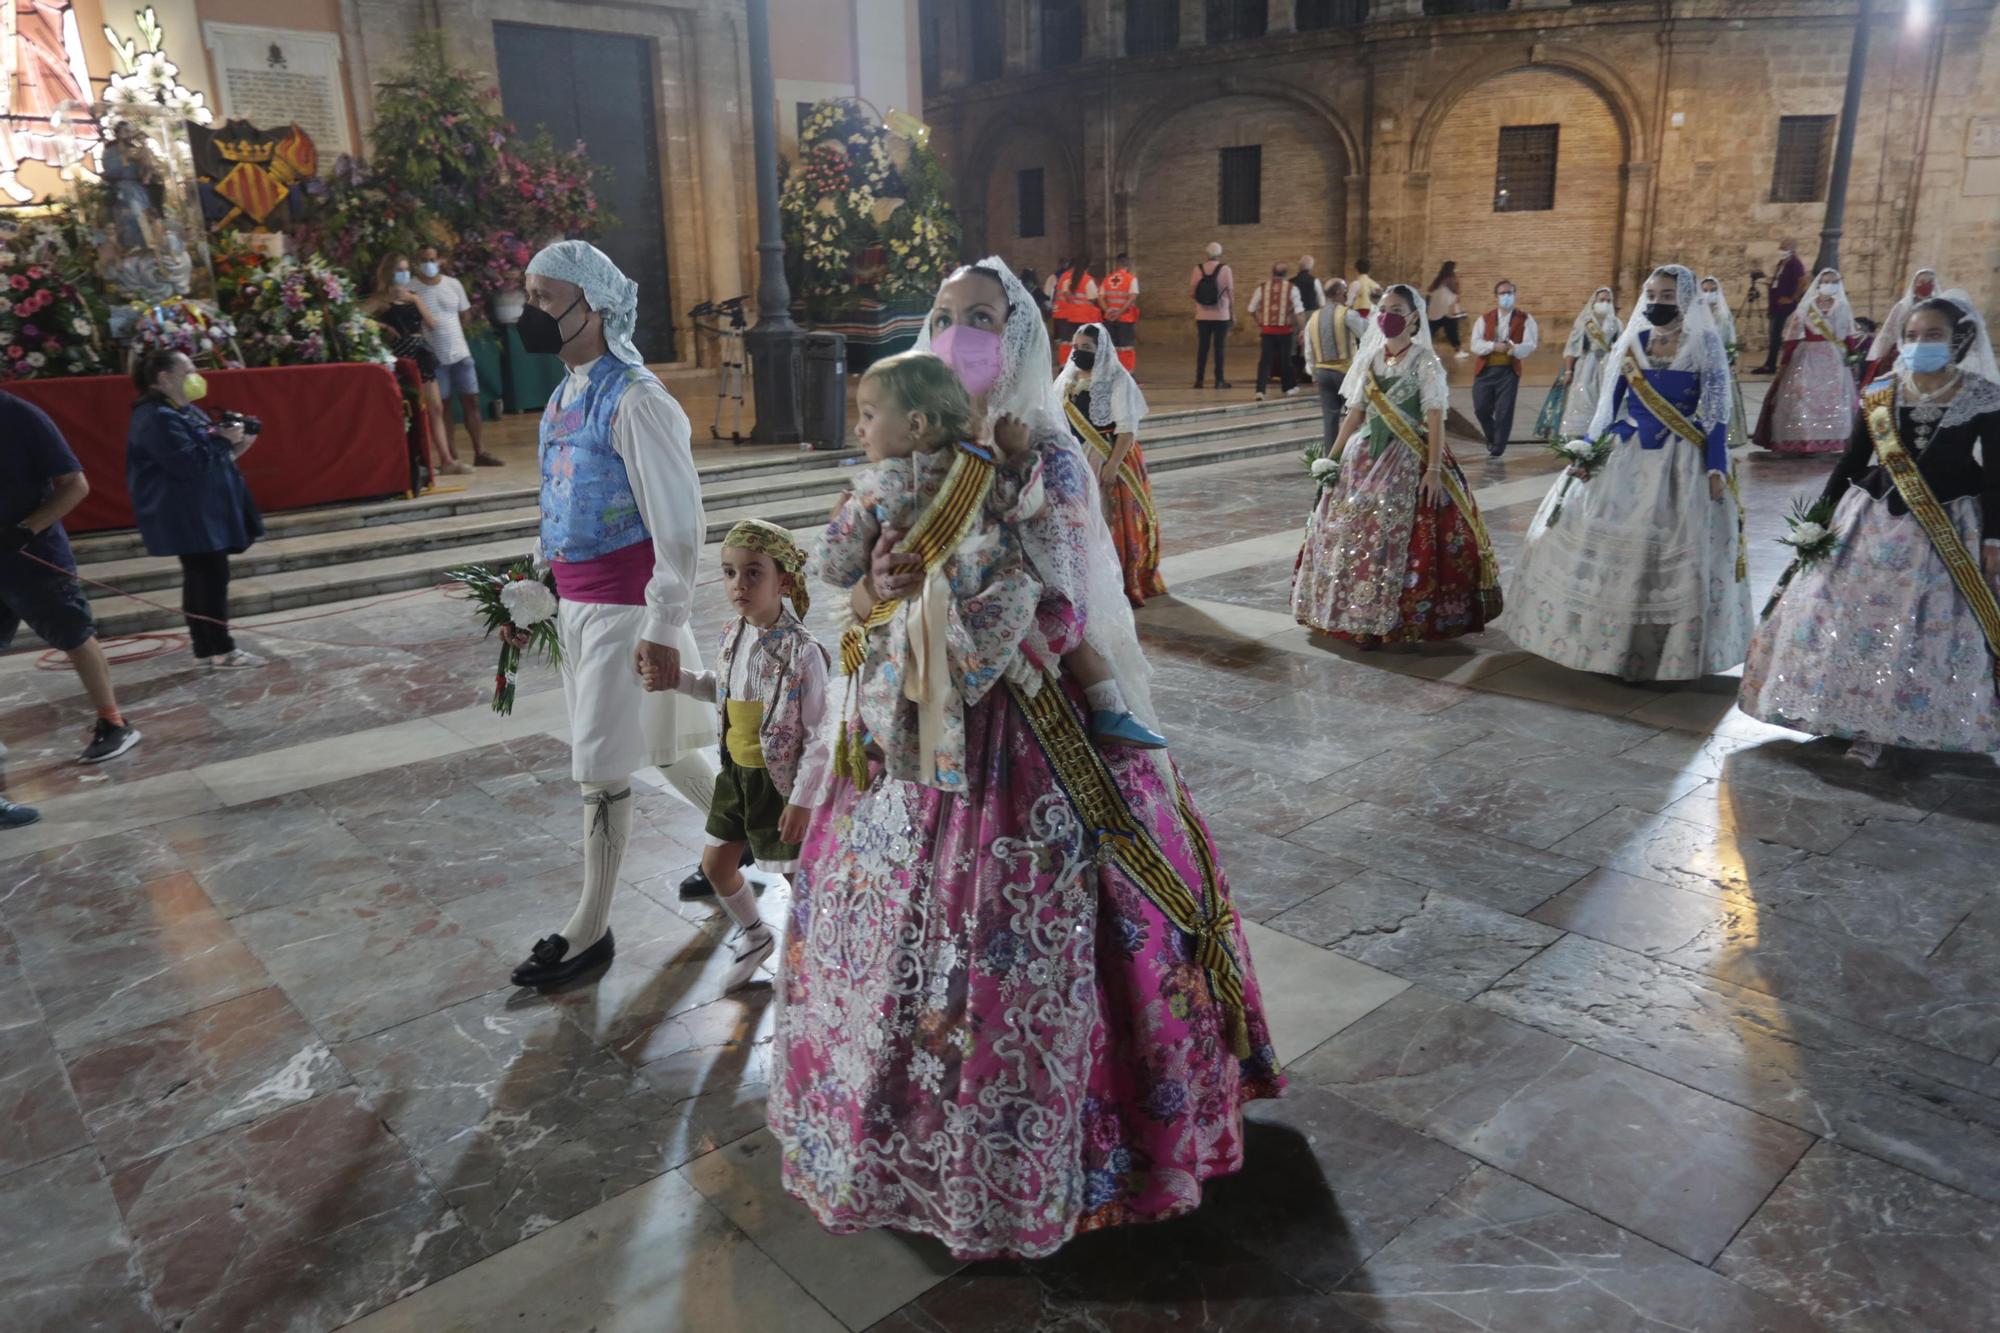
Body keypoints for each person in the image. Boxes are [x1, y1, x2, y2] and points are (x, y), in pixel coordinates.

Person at [769, 256, 1282, 1262]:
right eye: (945, 316)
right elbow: (853, 584)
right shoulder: (893, 449)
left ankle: (1083, 1150)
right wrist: (876, 584)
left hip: (1027, 723)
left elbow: (1069, 593)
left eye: (982, 321)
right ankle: (892, 1137)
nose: (960, 337)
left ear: (1019, 339)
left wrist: (988, 526)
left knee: (1040, 937)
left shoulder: (1044, 452)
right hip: (913, 724)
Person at [505, 240, 721, 990]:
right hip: (580, 602)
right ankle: (746, 837)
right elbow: (563, 492)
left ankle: (590, 927)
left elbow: (680, 527)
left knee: (600, 766)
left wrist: (663, 624)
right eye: (526, 296)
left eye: (543, 298)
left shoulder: (637, 399)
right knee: (662, 746)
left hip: (627, 610)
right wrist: (539, 576)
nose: (527, 313)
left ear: (591, 306)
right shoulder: (567, 394)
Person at [1741, 291, 2000, 768]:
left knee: (1925, 627)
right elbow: (1851, 461)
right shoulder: (1881, 390)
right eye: (1913, 336)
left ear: (1959, 340)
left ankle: (1907, 720)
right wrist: (1817, 521)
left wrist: (1993, 538)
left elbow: (1997, 474)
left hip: (1949, 528)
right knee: (1853, 619)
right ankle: (1849, 715)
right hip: (1870, 522)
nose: (1921, 344)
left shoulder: (1981, 396)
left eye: (1935, 336)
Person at [1507, 264, 1752, 681]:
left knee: (1667, 553)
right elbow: (1608, 409)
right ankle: (1601, 646)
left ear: (1686, 299)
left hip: (1681, 464)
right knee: (1604, 539)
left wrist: (1715, 466)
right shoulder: (1632, 342)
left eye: (1667, 295)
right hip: (1624, 454)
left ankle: (1660, 653)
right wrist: (1587, 452)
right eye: (1652, 295)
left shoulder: (1705, 345)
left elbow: (1715, 415)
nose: (1658, 303)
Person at [1291, 283, 1502, 645]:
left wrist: (1434, 470)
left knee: (1395, 535)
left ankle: (1396, 618)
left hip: (1407, 457)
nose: (1387, 317)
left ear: (1414, 318)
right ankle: (1349, 611)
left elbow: (1435, 415)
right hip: (1362, 458)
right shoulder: (1370, 360)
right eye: (1383, 309)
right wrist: (1333, 456)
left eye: (1396, 310)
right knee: (1350, 531)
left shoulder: (1425, 361)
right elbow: (1355, 412)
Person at [666, 520, 828, 990]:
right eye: (730, 573)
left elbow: (819, 735)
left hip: (778, 784)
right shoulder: (731, 635)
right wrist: (677, 679)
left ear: (785, 581)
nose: (740, 584)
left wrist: (802, 800)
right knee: (718, 866)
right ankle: (756, 935)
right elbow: (718, 688)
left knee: (800, 883)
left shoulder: (803, 652)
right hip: (736, 777)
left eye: (754, 572)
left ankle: (817, 954)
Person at [0, 394, 142, 766]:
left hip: (32, 553)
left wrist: (26, 529)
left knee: (73, 634)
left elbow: (76, 484)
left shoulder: (21, 416)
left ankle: (114, 722)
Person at [125, 350, 265, 669]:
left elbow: (215, 458)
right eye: (188, 370)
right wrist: (222, 441)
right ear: (165, 378)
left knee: (203, 575)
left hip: (203, 508)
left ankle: (206, 648)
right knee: (209, 575)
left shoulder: (185, 411)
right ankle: (222, 648)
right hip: (185, 512)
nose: (196, 377)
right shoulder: (156, 417)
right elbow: (187, 464)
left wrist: (242, 439)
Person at [1058, 323, 1166, 606]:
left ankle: (1118, 580)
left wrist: (1113, 464)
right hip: (1077, 457)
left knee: (1109, 518)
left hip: (1110, 455)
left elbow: (1127, 429)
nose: (1079, 353)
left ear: (1101, 350)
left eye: (1087, 348)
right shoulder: (1068, 380)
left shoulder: (1116, 380)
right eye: (1076, 347)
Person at [362, 253, 466, 481]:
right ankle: (421, 460)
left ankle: (446, 459)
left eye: (406, 269)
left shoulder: (414, 296)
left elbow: (432, 323)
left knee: (436, 407)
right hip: (400, 355)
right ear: (390, 272)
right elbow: (356, 318)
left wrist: (416, 300)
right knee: (413, 408)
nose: (404, 273)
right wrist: (380, 325)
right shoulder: (380, 300)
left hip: (420, 351)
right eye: (400, 269)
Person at [410, 243, 503, 468]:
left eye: (432, 259)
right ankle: (450, 456)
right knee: (443, 405)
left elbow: (464, 315)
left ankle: (480, 451)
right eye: (424, 260)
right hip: (434, 356)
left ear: (440, 261)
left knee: (471, 400)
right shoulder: (411, 289)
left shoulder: (453, 284)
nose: (428, 264)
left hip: (460, 352)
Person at [1753, 268, 1857, 455]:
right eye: (1825, 281)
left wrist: (1852, 354)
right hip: (1808, 355)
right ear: (1818, 284)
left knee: (1833, 396)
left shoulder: (1842, 306)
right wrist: (1785, 361)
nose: (1829, 285)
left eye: (1833, 281)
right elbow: (1793, 335)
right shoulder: (1807, 306)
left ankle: (1831, 438)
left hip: (1833, 358)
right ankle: (1804, 438)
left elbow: (1849, 334)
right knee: (1803, 394)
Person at [1535, 286, 1619, 443]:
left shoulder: (1616, 322)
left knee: (1605, 401)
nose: (1605, 303)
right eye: (1602, 300)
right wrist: (1568, 371)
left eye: (1608, 301)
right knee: (1583, 400)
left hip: (1608, 367)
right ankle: (1579, 438)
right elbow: (1572, 348)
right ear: (1594, 302)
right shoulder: (1584, 322)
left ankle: (1602, 436)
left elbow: (1621, 345)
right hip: (1586, 366)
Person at [1468, 279, 1540, 456]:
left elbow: (1531, 344)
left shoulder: (1525, 319)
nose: (1506, 296)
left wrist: (1514, 349)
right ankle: (1493, 437)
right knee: (1481, 408)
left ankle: (1498, 447)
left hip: (1508, 371)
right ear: (1496, 296)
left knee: (1504, 410)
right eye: (1502, 293)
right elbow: (1474, 344)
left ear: (1515, 295)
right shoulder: (1484, 319)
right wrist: (1493, 346)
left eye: (1510, 293)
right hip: (1485, 370)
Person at [1303, 278, 1367, 456]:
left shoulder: (1314, 317)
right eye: (1345, 290)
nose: (1347, 293)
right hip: (1346, 374)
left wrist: (1313, 372)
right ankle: (1353, 456)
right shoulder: (1346, 314)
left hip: (1323, 373)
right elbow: (1366, 332)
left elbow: (1308, 349)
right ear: (1339, 293)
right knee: (1355, 416)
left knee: (1330, 419)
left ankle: (1331, 458)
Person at [1862, 265, 1940, 384]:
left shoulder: (1939, 307)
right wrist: (1882, 352)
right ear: (1915, 284)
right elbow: (1889, 330)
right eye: (1922, 281)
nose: (1926, 285)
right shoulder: (1903, 306)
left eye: (1930, 281)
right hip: (1904, 350)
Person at [1702, 275, 1753, 448]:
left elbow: (1728, 340)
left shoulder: (1723, 316)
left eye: (1712, 290)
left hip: (1718, 364)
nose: (1708, 294)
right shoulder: (1694, 314)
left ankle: (1725, 438)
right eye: (1705, 290)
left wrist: (1729, 359)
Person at [1248, 260, 1304, 400]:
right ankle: (1288, 388)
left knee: (1265, 361)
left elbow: (1251, 309)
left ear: (1272, 272)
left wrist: (1260, 322)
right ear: (1286, 274)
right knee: (1285, 360)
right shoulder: (1292, 288)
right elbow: (1299, 311)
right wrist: (1303, 329)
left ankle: (1260, 391)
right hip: (1285, 331)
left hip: (1267, 331)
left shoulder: (1262, 288)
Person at [1754, 237, 1808, 374]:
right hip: (1776, 303)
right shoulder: (1782, 263)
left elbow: (1802, 281)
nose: (1781, 250)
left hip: (1785, 305)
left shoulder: (1795, 263)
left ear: (1792, 248)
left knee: (1776, 333)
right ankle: (1769, 363)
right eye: (1781, 247)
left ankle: (1771, 364)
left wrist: (1792, 298)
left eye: (1784, 247)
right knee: (1773, 333)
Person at [1190, 241, 1233, 389]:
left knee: (1203, 347)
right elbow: (1230, 293)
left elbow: (1192, 293)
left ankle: (1199, 380)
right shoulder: (1226, 269)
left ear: (1206, 254)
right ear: (1219, 254)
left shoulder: (1197, 269)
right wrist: (1232, 313)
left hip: (1202, 316)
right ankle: (1219, 380)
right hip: (1221, 316)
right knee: (1219, 348)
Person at [1050, 256, 1100, 361]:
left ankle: (1064, 363)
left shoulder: (1065, 277)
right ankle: (1082, 363)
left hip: (1067, 314)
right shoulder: (1086, 280)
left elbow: (1064, 295)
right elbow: (1093, 299)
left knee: (1066, 341)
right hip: (1082, 316)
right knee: (1084, 341)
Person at [1098, 252, 1141, 372]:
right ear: (1128, 264)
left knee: (1112, 348)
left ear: (1117, 264)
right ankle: (1128, 375)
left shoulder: (1107, 279)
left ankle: (1113, 373)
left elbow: (1100, 298)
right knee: (1126, 348)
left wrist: (1109, 311)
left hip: (1110, 318)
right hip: (1125, 318)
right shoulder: (1131, 279)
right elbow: (1132, 297)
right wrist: (1120, 312)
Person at [1425, 261, 1465, 358]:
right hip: (1447, 311)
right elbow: (1457, 291)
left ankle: (1422, 348)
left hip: (1435, 311)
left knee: (1429, 331)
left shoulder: (1438, 279)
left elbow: (1429, 290)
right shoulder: (1451, 279)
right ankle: (1458, 351)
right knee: (1452, 332)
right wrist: (1458, 280)